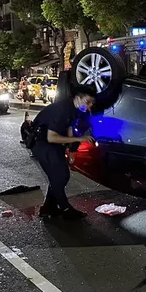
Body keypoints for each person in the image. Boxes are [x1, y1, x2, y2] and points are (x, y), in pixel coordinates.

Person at [31, 85, 97, 218]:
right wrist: (80, 139)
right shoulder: (62, 109)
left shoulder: (75, 108)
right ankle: (65, 209)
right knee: (60, 175)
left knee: (60, 176)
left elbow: (70, 127)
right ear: (78, 98)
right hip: (42, 143)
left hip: (53, 143)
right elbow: (51, 137)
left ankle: (48, 207)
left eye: (91, 103)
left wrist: (72, 149)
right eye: (87, 102)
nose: (89, 106)